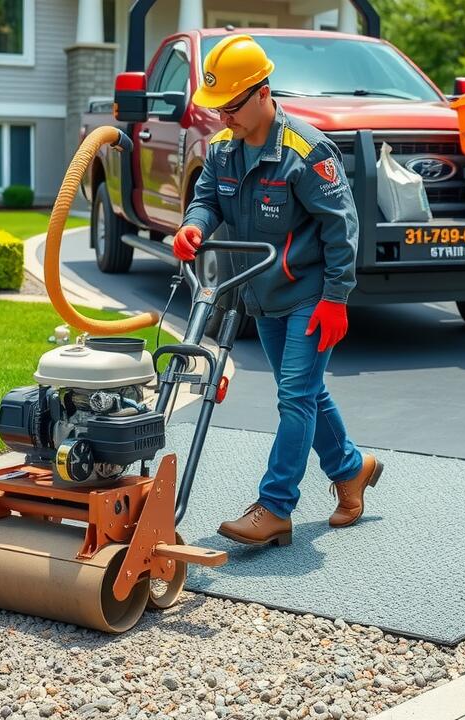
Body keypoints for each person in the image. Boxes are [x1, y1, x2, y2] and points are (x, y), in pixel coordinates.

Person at [174, 34, 382, 547]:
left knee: (294, 397)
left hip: (310, 295)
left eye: (232, 106)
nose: (224, 117)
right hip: (260, 294)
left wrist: (337, 298)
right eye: (217, 107)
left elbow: (342, 228)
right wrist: (194, 225)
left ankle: (274, 508)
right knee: (306, 392)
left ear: (263, 92)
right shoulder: (223, 151)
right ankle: (351, 470)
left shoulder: (306, 152)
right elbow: (207, 200)